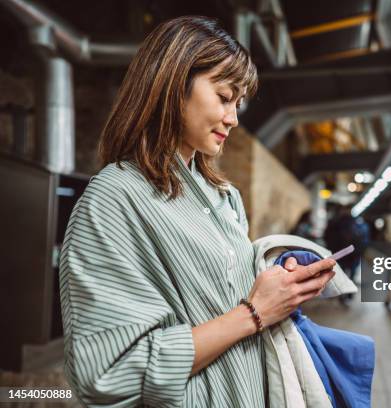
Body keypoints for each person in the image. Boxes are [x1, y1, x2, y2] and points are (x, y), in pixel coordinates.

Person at [59, 16, 336, 407]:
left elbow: (221, 293)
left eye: (237, 103)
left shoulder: (225, 198)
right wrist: (254, 313)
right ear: (173, 85)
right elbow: (107, 373)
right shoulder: (114, 198)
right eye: (224, 97)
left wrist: (279, 282)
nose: (234, 118)